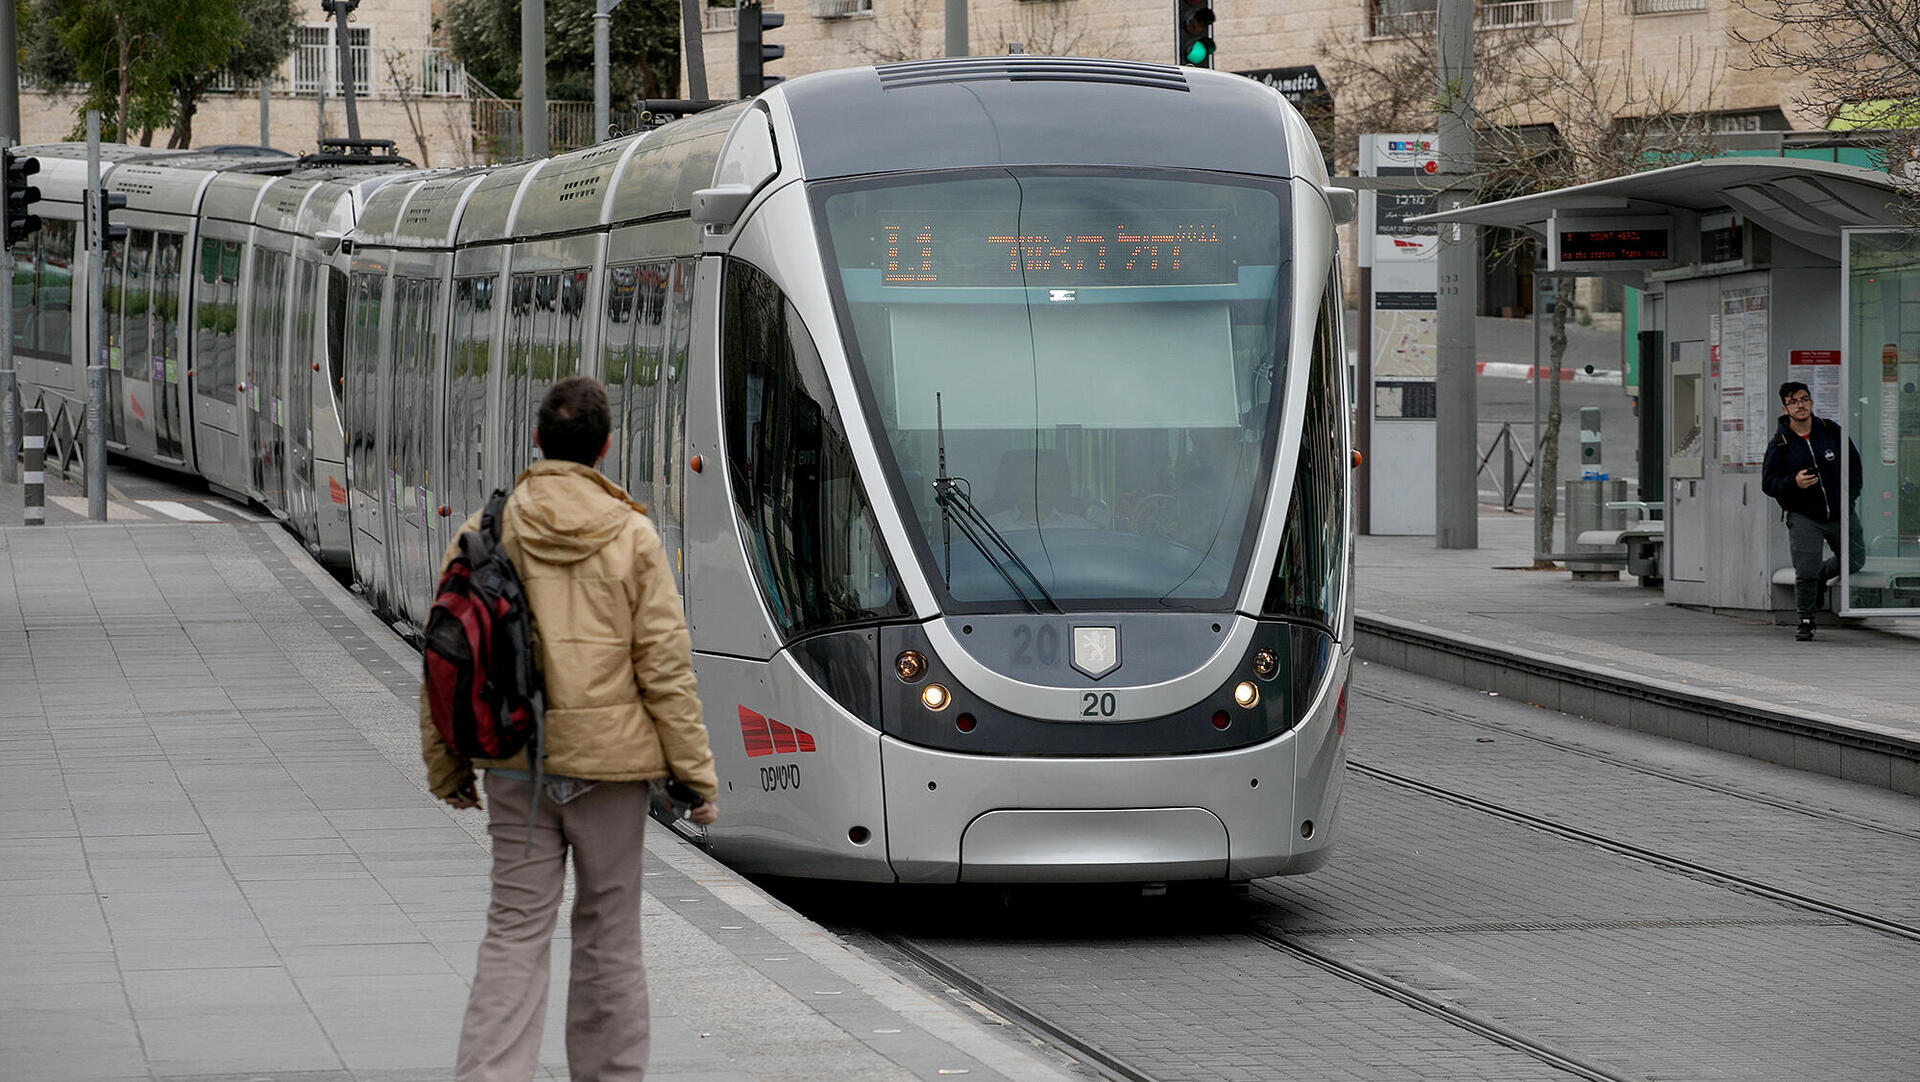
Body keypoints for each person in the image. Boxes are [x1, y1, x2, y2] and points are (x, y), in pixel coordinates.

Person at [420, 375, 719, 1081]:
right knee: (611, 934)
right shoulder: (634, 535)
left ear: (537, 441)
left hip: (516, 761)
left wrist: (448, 767)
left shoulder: (487, 529)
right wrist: (695, 778)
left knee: (515, 930)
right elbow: (665, 669)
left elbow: (446, 653)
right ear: (605, 447)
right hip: (612, 772)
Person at [1760, 380, 1865, 642]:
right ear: (1785, 408)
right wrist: (1793, 482)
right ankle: (1806, 620)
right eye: (1793, 402)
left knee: (1855, 559)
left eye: (1804, 399)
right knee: (1805, 570)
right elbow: (1769, 483)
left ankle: (1821, 575)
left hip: (1840, 512)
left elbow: (1854, 465)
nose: (1800, 405)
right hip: (1804, 515)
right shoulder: (1780, 443)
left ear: (1811, 402)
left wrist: (1849, 498)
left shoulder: (1830, 430)